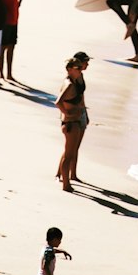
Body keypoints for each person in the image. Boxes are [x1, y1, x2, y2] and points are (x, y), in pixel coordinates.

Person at [56, 52, 90, 191]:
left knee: (70, 151)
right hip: (71, 122)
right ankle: (65, 183)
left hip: (76, 119)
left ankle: (68, 178)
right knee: (69, 154)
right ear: (70, 69)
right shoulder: (69, 84)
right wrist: (68, 113)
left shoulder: (76, 80)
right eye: (78, 67)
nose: (81, 69)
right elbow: (58, 102)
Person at [0, 0, 23, 80]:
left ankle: (9, 73)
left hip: (14, 20)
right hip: (3, 21)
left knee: (12, 46)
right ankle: (1, 73)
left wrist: (18, 4)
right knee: (2, 47)